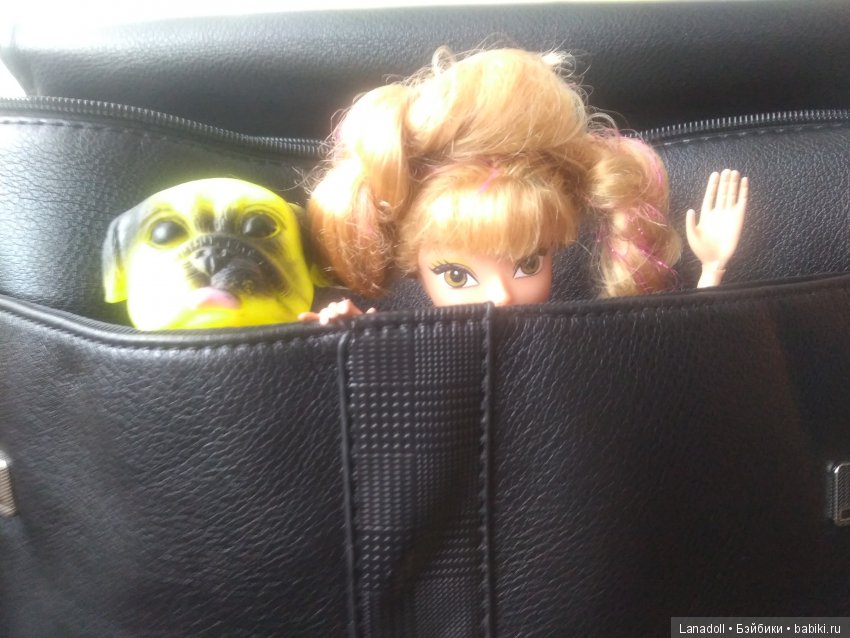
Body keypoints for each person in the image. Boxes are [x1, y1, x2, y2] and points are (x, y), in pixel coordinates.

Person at [300, 48, 747, 324]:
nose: (501, 297)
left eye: (528, 264)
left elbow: (671, 362)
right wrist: (354, 336)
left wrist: (712, 269)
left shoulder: (571, 337)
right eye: (457, 275)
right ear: (415, 270)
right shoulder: (426, 345)